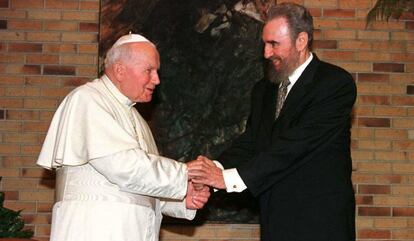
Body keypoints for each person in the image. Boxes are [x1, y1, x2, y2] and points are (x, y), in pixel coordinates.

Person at [188, 3, 356, 241]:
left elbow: (293, 147)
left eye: (274, 44)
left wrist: (227, 179)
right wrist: (214, 169)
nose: (266, 53)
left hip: (320, 225)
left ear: (301, 41)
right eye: (264, 44)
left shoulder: (334, 84)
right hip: (275, 222)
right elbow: (251, 142)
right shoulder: (264, 90)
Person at [37, 33, 210, 241]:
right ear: (120, 70)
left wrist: (181, 199)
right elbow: (123, 167)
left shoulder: (136, 118)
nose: (157, 80)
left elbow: (138, 186)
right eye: (149, 71)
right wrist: (185, 174)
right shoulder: (88, 99)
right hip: (94, 230)